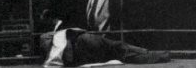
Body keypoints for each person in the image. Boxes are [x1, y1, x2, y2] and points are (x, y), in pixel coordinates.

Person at [40, 24, 170, 66]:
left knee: (121, 55)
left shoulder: (49, 50)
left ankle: (157, 56)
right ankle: (151, 53)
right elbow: (75, 32)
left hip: (81, 55)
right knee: (119, 47)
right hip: (83, 41)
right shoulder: (48, 37)